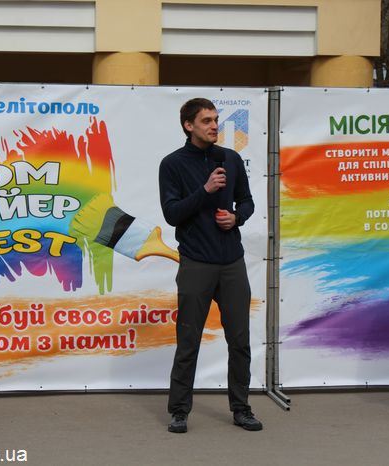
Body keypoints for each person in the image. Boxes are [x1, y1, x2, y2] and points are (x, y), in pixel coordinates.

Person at [158, 98, 262, 433]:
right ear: (189, 125)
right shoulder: (172, 164)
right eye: (206, 121)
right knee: (189, 340)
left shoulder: (230, 159)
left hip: (232, 262)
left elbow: (247, 201)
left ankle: (241, 408)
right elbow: (172, 214)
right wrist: (205, 190)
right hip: (195, 262)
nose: (215, 126)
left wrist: (237, 217)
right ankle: (179, 411)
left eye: (216, 119)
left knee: (240, 341)